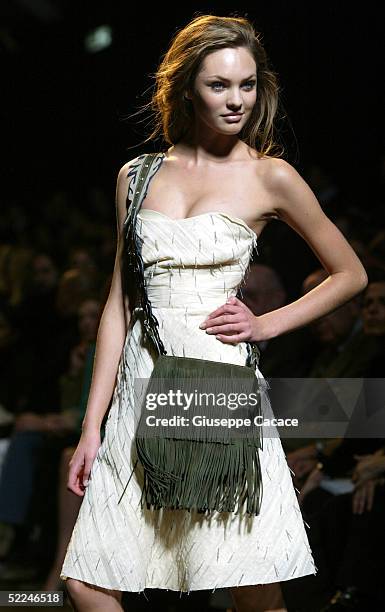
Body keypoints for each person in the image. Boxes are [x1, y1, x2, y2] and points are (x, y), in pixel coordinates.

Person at [60, 14, 368, 612]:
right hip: (140, 383)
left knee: (246, 580)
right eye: (219, 85)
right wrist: (91, 425)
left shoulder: (269, 175)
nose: (236, 100)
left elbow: (351, 273)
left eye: (247, 85)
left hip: (214, 383)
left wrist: (266, 323)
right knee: (88, 580)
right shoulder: (138, 175)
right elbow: (119, 305)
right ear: (186, 88)